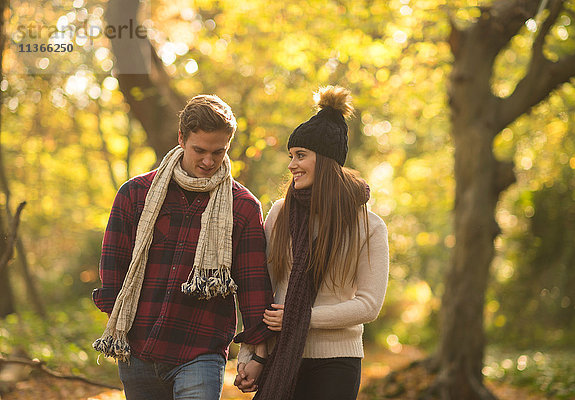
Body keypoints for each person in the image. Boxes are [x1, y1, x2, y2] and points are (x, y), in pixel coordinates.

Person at [92, 94, 273, 400]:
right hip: (138, 351)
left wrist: (257, 355)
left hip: (200, 351)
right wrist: (125, 327)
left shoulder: (242, 207)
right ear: (181, 138)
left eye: (219, 152)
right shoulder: (135, 194)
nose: (208, 161)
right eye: (199, 150)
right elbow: (113, 269)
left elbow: (254, 286)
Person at [234, 86, 389, 400]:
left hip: (337, 363)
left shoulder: (369, 225)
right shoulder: (279, 213)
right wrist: (251, 354)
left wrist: (299, 316)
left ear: (327, 160)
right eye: (291, 156)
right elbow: (263, 288)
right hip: (280, 356)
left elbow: (369, 305)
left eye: (301, 155)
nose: (292, 165)